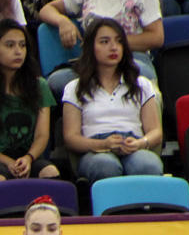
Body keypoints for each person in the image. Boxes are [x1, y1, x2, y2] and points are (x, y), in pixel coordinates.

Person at [61, 16, 163, 183]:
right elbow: (71, 138)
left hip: (133, 144)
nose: (113, 47)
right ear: (91, 47)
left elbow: (155, 132)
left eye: (118, 41)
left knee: (148, 166)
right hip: (95, 149)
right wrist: (103, 145)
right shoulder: (75, 87)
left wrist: (140, 143)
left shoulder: (141, 84)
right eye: (104, 42)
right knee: (106, 166)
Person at [0, 20, 61, 184]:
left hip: (26, 157)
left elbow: (42, 135)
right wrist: (7, 161)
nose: (18, 51)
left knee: (50, 171)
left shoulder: (40, 86)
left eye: (22, 45)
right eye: (10, 45)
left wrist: (29, 158)